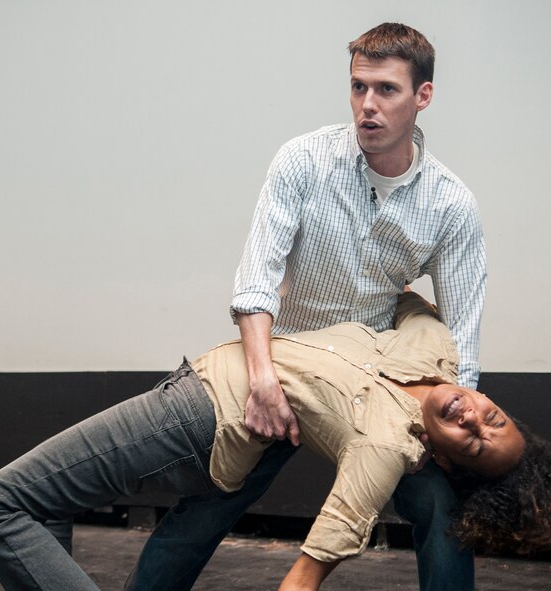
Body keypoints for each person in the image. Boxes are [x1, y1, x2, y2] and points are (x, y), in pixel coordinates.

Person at [126, 22, 487, 591]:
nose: (367, 105)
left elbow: (463, 333)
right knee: (207, 508)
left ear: (424, 96)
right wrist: (263, 380)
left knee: (444, 508)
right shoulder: (304, 160)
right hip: (286, 365)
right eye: (358, 87)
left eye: (386, 90)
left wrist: (451, 440)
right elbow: (256, 280)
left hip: (375, 384)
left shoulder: (451, 205)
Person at [0, 292, 551, 591]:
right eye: (496, 418)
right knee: (45, 508)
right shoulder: (434, 346)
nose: (475, 419)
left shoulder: (388, 444)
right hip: (198, 391)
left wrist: (304, 576)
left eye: (476, 443)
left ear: (446, 460)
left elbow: (316, 559)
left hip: (200, 418)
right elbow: (394, 290)